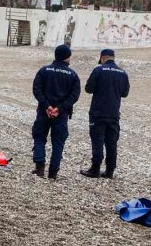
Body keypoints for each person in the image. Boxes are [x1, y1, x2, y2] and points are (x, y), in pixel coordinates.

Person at [31, 44, 81, 180]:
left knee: (40, 137)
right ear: (67, 57)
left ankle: (39, 167)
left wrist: (47, 106)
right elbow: (74, 95)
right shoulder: (73, 75)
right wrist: (59, 108)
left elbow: (37, 90)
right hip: (62, 114)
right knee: (58, 142)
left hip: (43, 111)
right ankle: (53, 172)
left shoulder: (44, 70)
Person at [80, 49, 130, 179]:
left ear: (102, 58)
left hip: (98, 112)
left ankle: (95, 168)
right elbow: (125, 93)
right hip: (113, 113)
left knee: (97, 140)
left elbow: (88, 89)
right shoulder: (122, 73)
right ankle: (109, 171)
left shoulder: (98, 70)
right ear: (113, 58)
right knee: (111, 142)